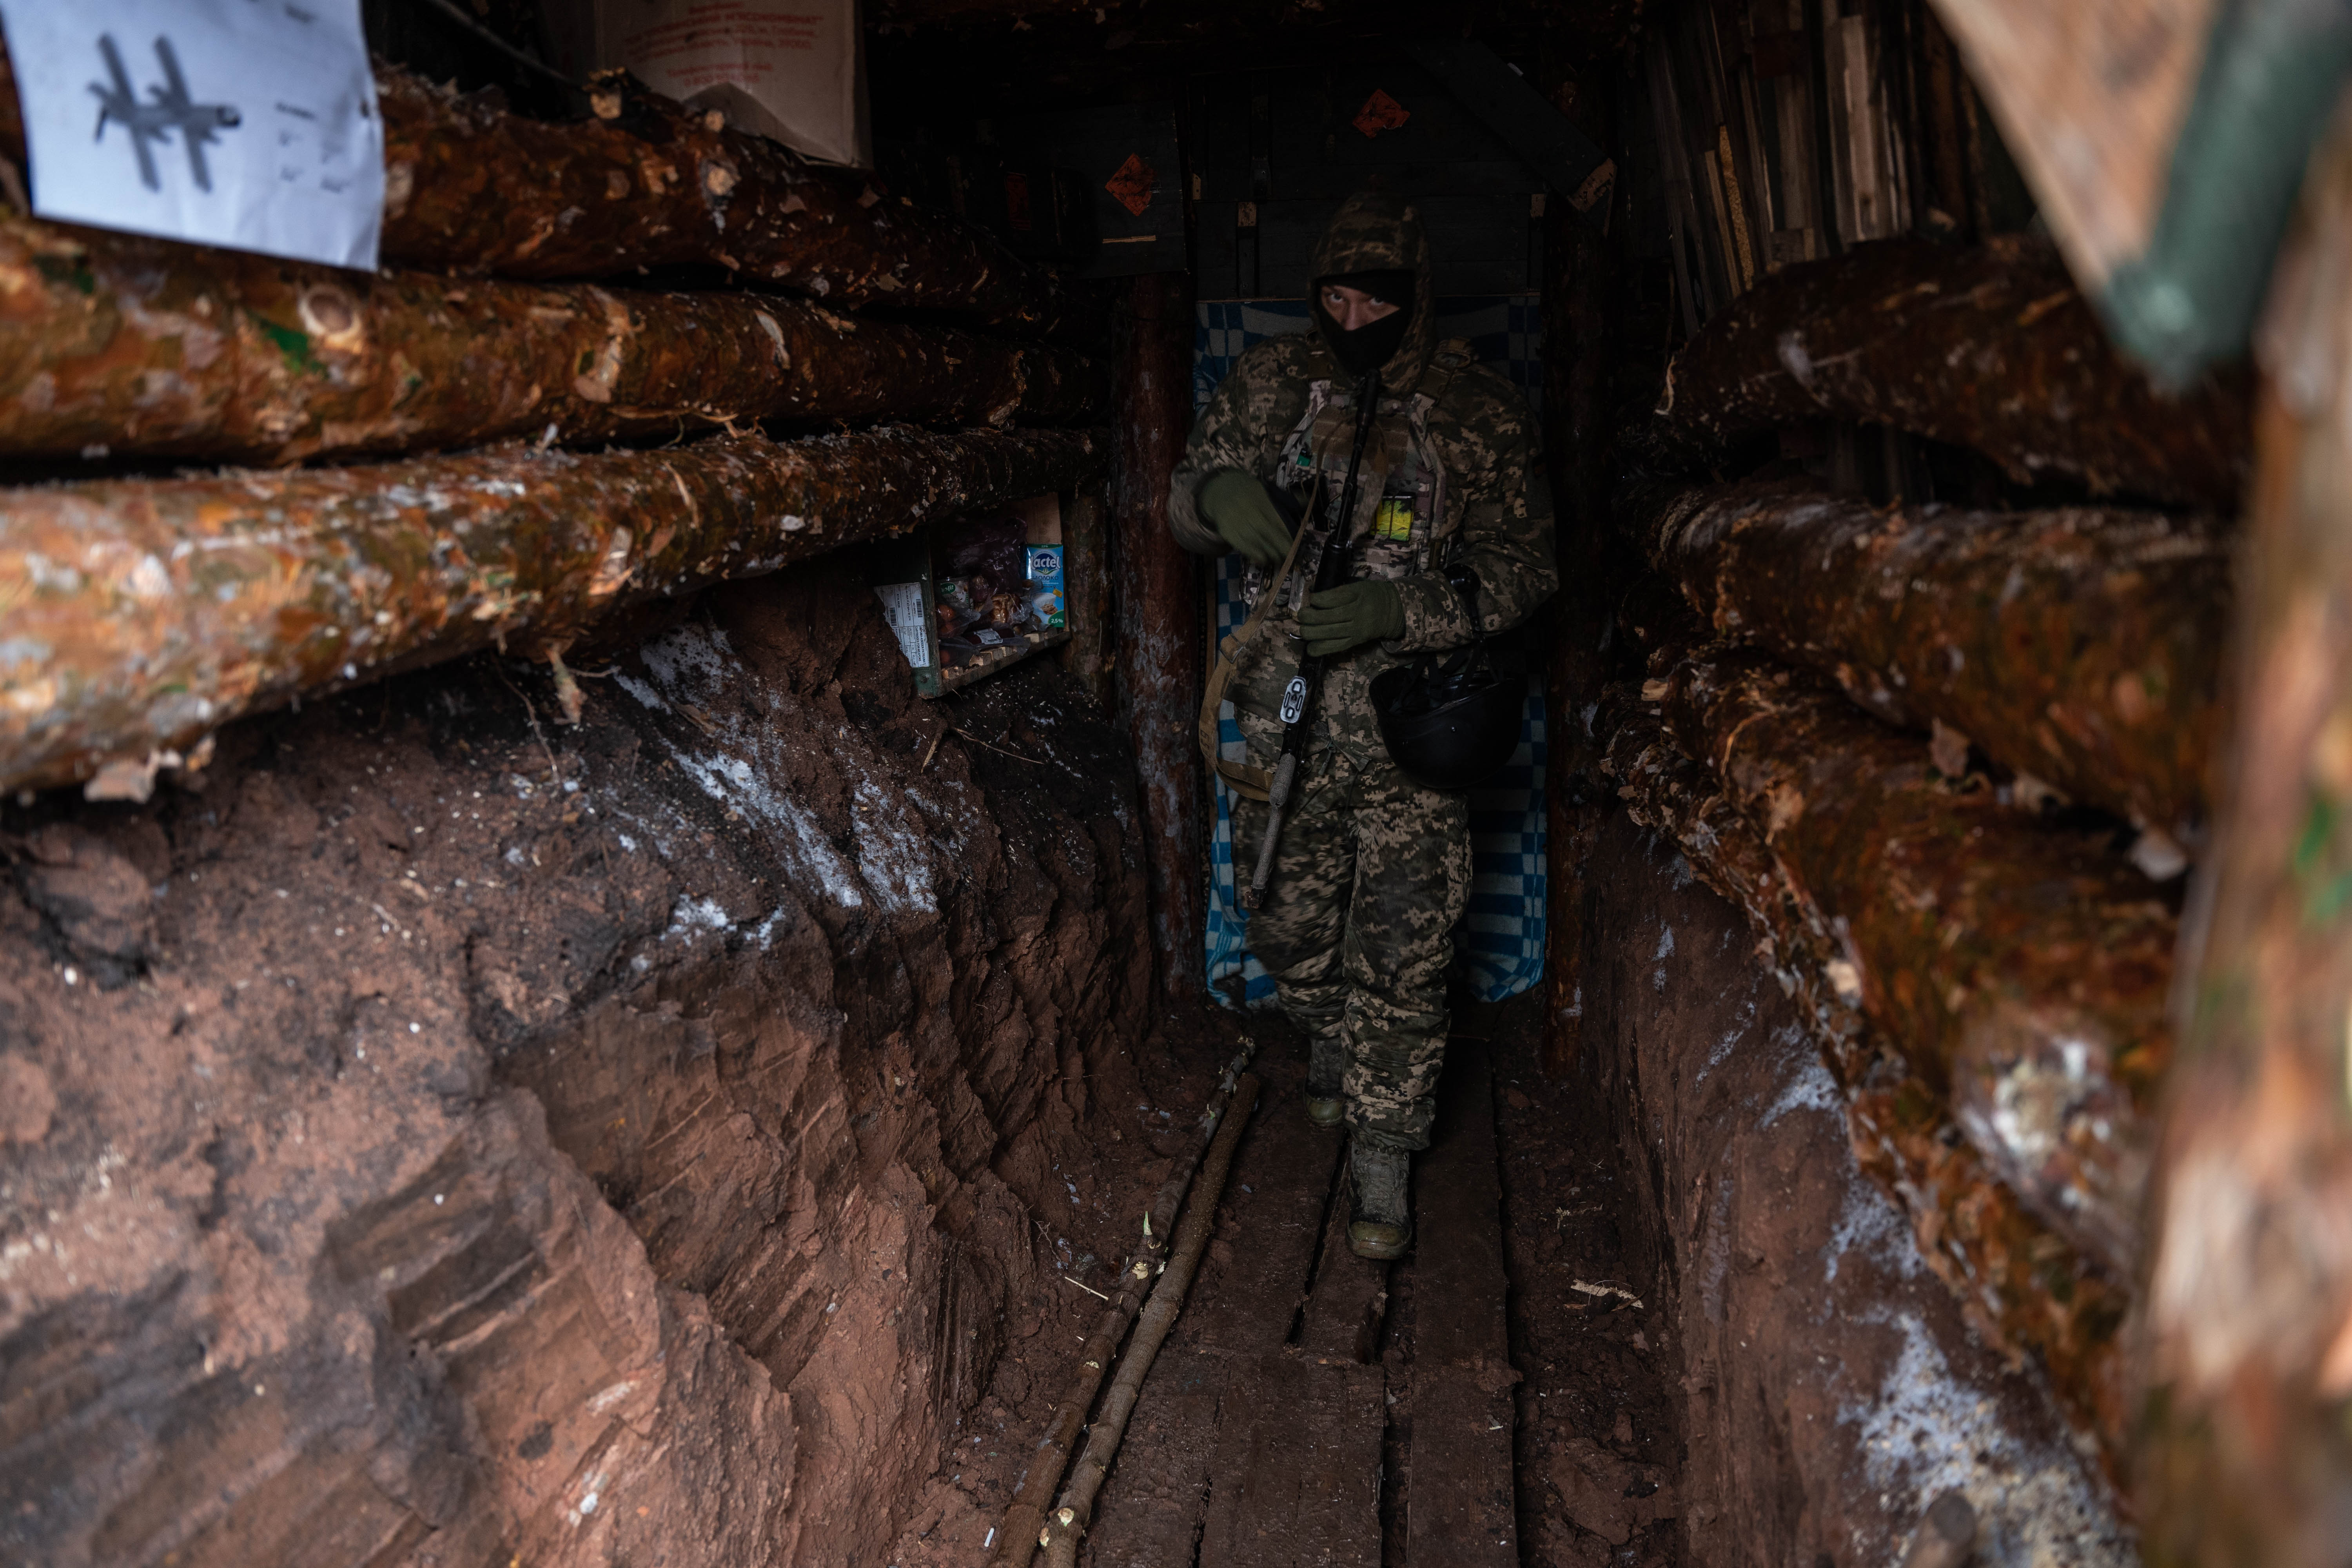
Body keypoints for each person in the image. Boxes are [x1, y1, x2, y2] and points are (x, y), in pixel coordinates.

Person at [1167, 191, 1557, 1258]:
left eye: (1375, 300)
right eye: (1333, 297)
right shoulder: (1272, 382)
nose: (1352, 318)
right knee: (1284, 925)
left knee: (1405, 948)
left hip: (1413, 726)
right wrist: (1216, 499)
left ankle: (1385, 1162)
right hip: (1278, 712)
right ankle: (1330, 1041)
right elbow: (1182, 495)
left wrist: (1407, 609)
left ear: (1416, 298)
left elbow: (1531, 567)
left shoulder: (1474, 409)